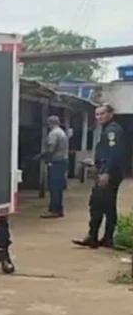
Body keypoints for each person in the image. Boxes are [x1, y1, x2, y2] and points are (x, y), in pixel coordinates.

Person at [73, 104, 128, 249]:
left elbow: (114, 153)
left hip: (108, 175)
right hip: (108, 171)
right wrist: (95, 162)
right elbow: (108, 153)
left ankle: (94, 237)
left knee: (97, 204)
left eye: (102, 114)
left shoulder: (112, 131)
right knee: (108, 206)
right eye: (97, 114)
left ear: (110, 114)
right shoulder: (109, 130)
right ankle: (105, 238)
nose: (99, 117)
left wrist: (106, 172)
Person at [40, 115, 69, 219]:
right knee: (59, 187)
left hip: (56, 162)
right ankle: (59, 209)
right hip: (62, 161)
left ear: (50, 123)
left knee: (54, 187)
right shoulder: (62, 132)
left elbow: (51, 149)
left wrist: (42, 156)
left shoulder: (54, 133)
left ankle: (54, 210)